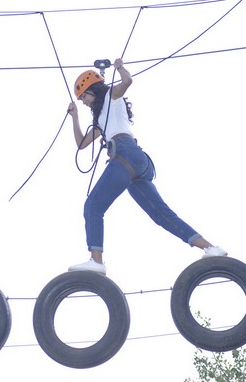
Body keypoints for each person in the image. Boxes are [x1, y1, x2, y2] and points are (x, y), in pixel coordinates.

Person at [66, 58, 227, 275]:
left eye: (84, 96)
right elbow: (81, 144)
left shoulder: (113, 97)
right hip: (137, 161)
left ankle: (96, 261)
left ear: (94, 90)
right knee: (161, 214)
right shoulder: (102, 119)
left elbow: (128, 81)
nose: (84, 102)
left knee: (93, 207)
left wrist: (120, 67)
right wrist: (75, 117)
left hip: (125, 155)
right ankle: (210, 248)